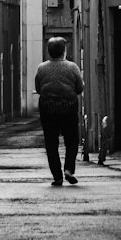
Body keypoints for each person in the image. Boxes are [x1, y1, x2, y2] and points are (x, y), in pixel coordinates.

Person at [34, 37, 84, 186]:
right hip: (68, 108)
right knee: (72, 140)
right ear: (63, 51)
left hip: (48, 109)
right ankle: (68, 168)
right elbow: (79, 88)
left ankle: (57, 176)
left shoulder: (41, 68)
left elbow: (38, 89)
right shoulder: (72, 67)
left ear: (49, 52)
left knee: (51, 143)